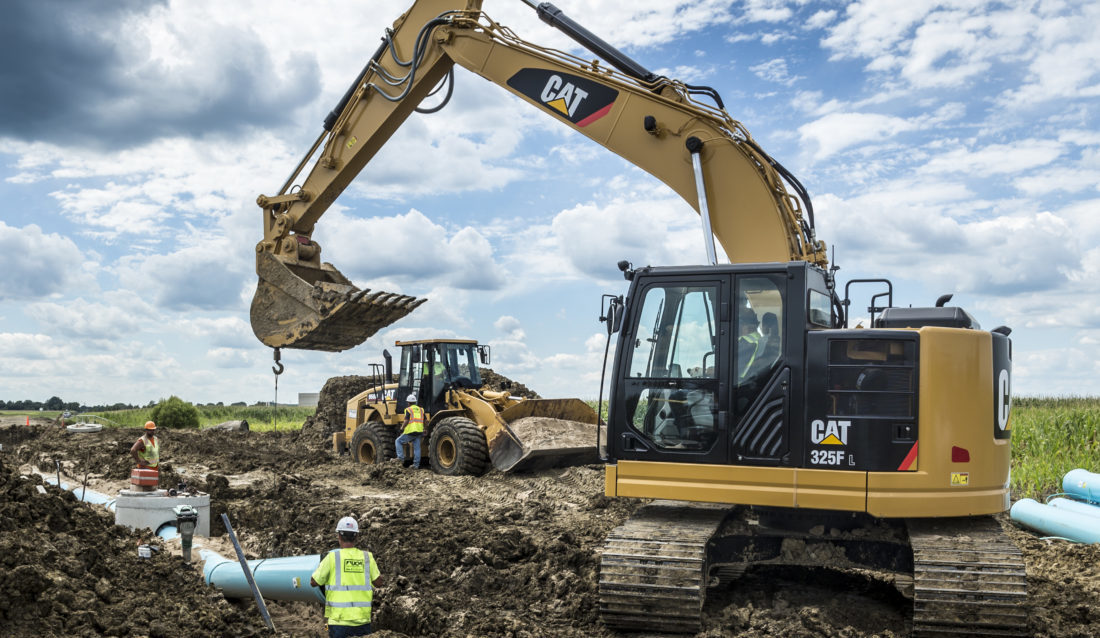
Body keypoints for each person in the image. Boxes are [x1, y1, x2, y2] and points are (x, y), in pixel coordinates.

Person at [310, 516, 383, 637]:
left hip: (338, 622)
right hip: (363, 621)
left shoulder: (332, 558)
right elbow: (379, 583)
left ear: (339, 536)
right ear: (356, 536)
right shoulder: (367, 557)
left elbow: (314, 582)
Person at [395, 394, 424, 469]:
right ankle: (416, 465)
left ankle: (400, 458)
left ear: (408, 403)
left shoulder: (408, 410)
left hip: (411, 431)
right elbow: (426, 421)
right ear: (415, 402)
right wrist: (425, 429)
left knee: (398, 441)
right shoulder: (421, 409)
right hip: (419, 431)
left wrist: (402, 428)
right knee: (417, 448)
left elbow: (406, 420)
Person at [737, 307, 762, 379]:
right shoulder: (757, 339)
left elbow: (731, 368)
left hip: (740, 384)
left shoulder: (746, 342)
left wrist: (713, 371)